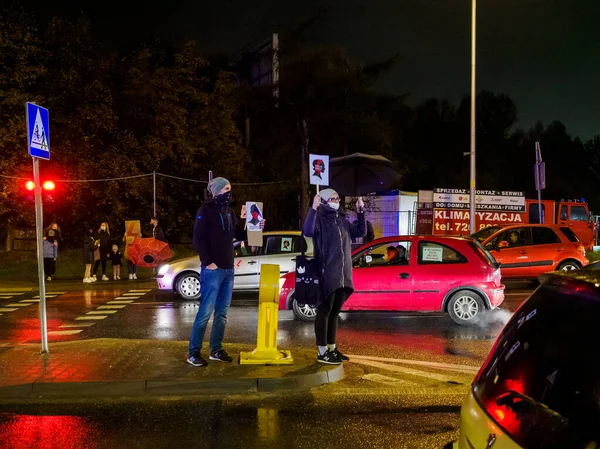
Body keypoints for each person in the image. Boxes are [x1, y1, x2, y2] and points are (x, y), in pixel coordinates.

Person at [304, 188, 366, 365]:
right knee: (324, 311)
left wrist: (360, 211)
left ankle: (331, 347)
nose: (336, 200)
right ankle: (322, 351)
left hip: (343, 274)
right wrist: (313, 209)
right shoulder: (319, 219)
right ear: (323, 201)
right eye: (332, 198)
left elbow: (360, 231)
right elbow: (308, 231)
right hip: (327, 272)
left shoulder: (341, 220)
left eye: (337, 198)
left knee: (334, 312)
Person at [187, 177, 237, 367]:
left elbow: (236, 236)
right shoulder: (205, 211)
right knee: (205, 313)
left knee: (222, 313)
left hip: (228, 269)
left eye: (230, 187)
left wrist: (256, 227)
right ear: (216, 192)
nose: (229, 191)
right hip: (213, 270)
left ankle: (216, 349)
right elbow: (198, 239)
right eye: (226, 188)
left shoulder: (230, 212)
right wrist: (208, 262)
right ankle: (193, 352)